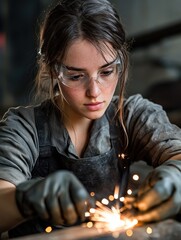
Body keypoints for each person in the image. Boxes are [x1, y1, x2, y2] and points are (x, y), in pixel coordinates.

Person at [0, 0, 181, 238]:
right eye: (76, 76)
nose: (94, 91)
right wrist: (24, 199)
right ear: (53, 70)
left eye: (106, 72)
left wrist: (176, 176)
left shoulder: (133, 116)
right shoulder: (22, 129)